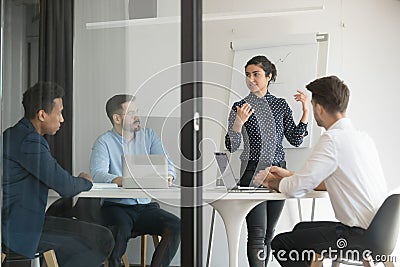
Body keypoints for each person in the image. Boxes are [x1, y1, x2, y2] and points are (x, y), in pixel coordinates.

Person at [253, 75, 388, 266]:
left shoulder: (332, 139)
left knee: (282, 244)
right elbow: (330, 181)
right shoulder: (362, 138)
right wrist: (290, 175)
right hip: (379, 232)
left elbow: (295, 189)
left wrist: (269, 181)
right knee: (300, 228)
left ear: (318, 108)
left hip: (357, 236)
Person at [2, 82, 114, 266]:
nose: (62, 119)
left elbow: (55, 177)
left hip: (26, 221)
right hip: (20, 229)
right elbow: (66, 186)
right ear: (42, 114)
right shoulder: (30, 142)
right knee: (92, 243)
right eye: (59, 112)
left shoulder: (16, 135)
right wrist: (85, 181)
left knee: (103, 236)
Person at [225, 55, 310, 266]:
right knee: (256, 232)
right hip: (251, 173)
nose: (251, 79)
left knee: (269, 233)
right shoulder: (240, 106)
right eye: (247, 75)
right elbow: (232, 146)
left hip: (278, 173)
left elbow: (296, 139)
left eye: (256, 74)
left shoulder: (280, 105)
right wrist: (238, 124)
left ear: (269, 77)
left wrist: (306, 111)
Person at [90, 94, 181, 267]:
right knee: (118, 233)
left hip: (146, 207)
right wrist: (126, 180)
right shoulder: (104, 142)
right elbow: (98, 174)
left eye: (137, 111)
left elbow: (168, 164)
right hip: (117, 207)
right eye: (131, 113)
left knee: (176, 226)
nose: (137, 116)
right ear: (117, 118)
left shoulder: (149, 136)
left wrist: (168, 175)